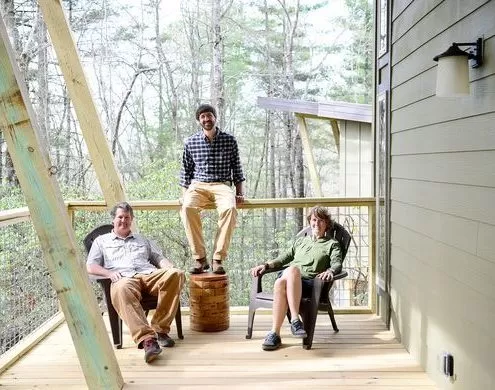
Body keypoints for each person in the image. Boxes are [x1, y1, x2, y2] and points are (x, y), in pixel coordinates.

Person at [86, 202, 185, 363]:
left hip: (148, 274)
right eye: (120, 217)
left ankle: (160, 329)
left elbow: (157, 257)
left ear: (131, 220)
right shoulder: (101, 241)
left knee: (177, 274)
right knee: (122, 288)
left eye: (127, 217)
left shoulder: (142, 239)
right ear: (113, 220)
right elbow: (91, 266)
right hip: (123, 278)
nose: (123, 221)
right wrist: (109, 273)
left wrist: (169, 267)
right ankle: (148, 340)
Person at [250, 206, 342, 351]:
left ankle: (275, 333)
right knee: (291, 271)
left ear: (327, 224)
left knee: (281, 282)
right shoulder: (300, 241)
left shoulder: (332, 244)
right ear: (309, 221)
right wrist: (266, 265)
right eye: (314, 220)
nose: (316, 224)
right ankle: (295, 320)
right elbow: (284, 257)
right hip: (291, 276)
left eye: (321, 221)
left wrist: (331, 270)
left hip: (308, 284)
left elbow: (337, 262)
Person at [179, 103, 246, 275]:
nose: (206, 119)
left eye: (209, 115)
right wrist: (185, 196)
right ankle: (200, 259)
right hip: (198, 185)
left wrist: (239, 192)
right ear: (199, 120)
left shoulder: (229, 140)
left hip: (222, 185)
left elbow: (236, 168)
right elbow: (186, 172)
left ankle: (217, 258)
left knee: (230, 209)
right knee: (187, 208)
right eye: (203, 117)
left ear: (215, 118)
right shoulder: (191, 142)